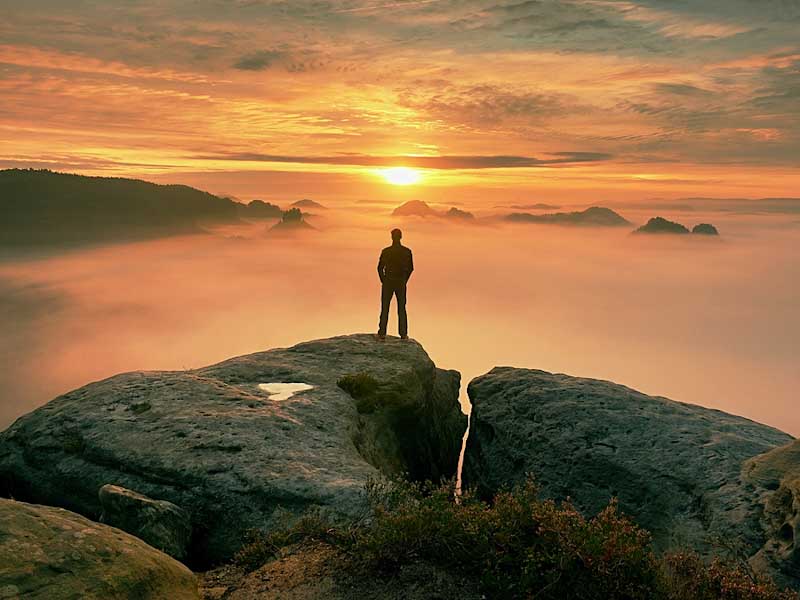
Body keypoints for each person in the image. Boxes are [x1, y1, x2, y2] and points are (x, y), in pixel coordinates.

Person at [376, 228, 414, 340]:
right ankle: (403, 334)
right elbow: (411, 268)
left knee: (385, 307)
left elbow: (379, 268)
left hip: (388, 281)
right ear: (401, 237)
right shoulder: (407, 251)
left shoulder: (386, 251)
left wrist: (384, 280)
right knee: (401, 308)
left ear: (391, 237)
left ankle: (382, 332)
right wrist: (404, 280)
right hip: (400, 282)